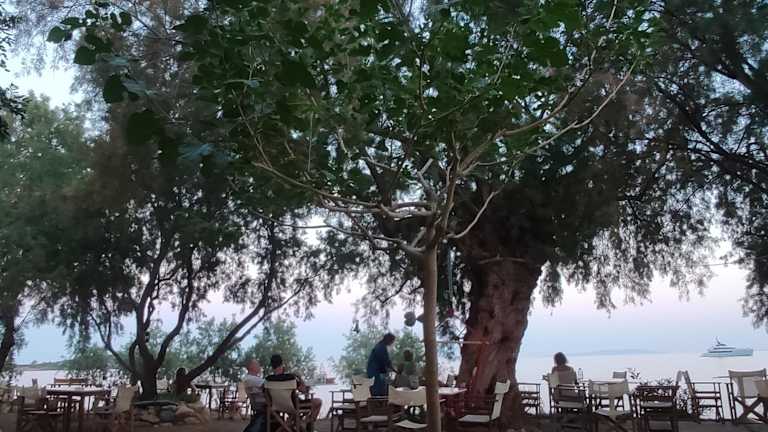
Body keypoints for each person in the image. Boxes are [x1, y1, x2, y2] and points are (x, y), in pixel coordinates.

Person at [266, 354, 322, 431]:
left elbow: (266, 394)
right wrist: (299, 377)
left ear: (272, 366)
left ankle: (296, 425)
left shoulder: (268, 380)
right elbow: (304, 390)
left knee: (295, 411)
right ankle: (308, 423)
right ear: (282, 364)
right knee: (318, 401)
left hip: (275, 406)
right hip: (293, 406)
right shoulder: (290, 378)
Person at [242, 359, 266, 432]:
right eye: (258, 364)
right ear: (251, 366)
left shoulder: (248, 379)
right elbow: (270, 385)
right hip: (265, 407)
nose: (260, 366)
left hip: (260, 407)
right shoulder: (252, 379)